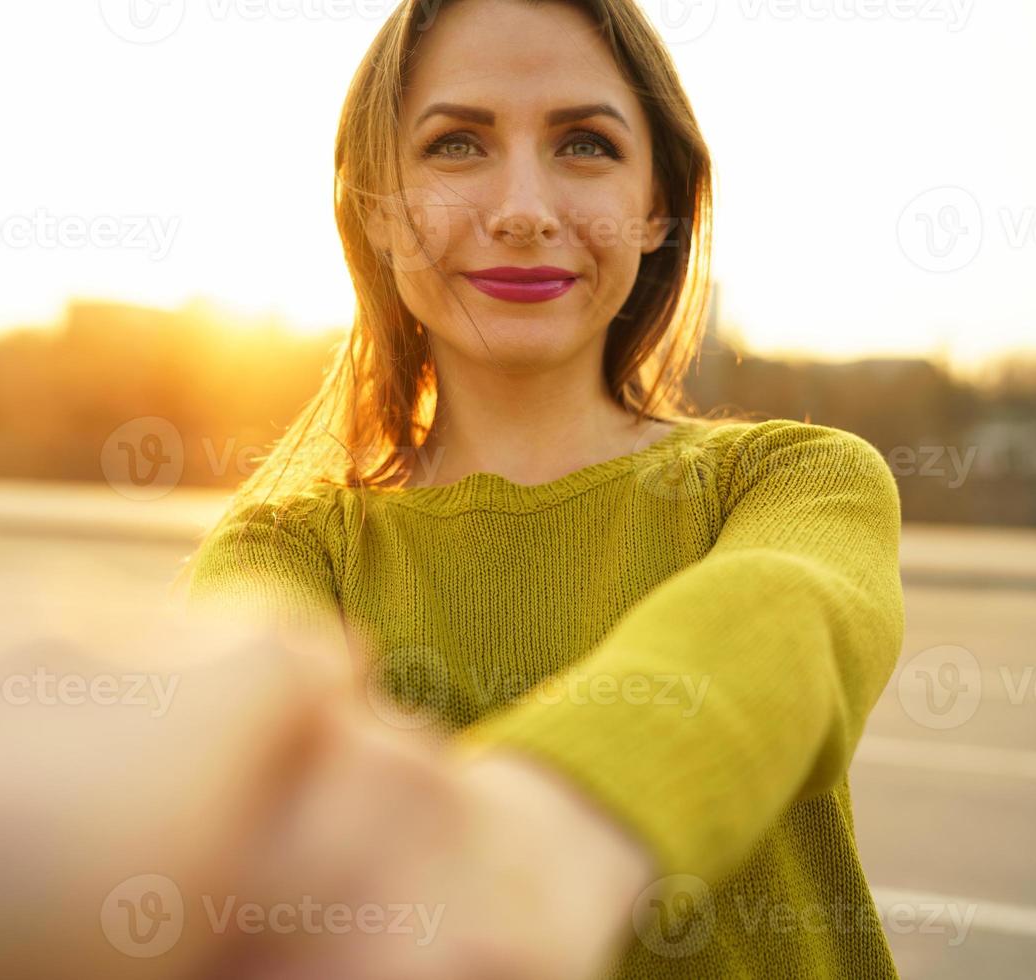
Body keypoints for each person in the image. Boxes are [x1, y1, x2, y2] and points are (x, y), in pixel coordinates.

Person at [181, 1, 909, 978]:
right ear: (378, 210)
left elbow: (783, 620)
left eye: (583, 144)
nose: (523, 208)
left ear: (659, 206)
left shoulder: (796, 478)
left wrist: (529, 845)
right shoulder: (290, 548)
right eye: (456, 144)